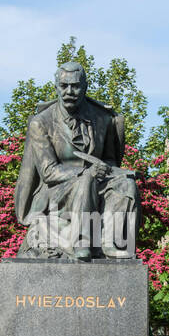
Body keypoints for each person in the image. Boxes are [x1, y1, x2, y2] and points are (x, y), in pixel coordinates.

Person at [13, 61, 140, 261]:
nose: (69, 91)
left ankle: (113, 243)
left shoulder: (102, 118)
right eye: (64, 86)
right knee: (85, 179)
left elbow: (109, 158)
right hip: (57, 190)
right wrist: (85, 173)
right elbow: (48, 171)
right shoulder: (41, 122)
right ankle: (82, 243)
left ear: (85, 87)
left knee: (126, 184)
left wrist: (110, 170)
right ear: (56, 87)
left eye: (75, 86)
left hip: (97, 182)